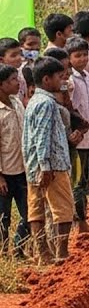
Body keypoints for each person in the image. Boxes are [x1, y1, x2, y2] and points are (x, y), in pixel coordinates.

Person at [23, 56, 78, 264]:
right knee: (63, 208)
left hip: (33, 165)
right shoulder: (46, 103)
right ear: (47, 80)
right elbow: (42, 136)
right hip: (52, 165)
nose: (61, 81)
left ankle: (43, 255)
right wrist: (46, 166)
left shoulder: (33, 102)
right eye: (58, 77)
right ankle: (61, 253)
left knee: (36, 208)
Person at [65, 38, 89, 233]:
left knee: (84, 179)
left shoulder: (86, 76)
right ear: (69, 59)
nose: (83, 59)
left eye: (85, 54)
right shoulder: (70, 82)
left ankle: (81, 217)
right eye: (77, 56)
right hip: (78, 139)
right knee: (78, 182)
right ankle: (81, 221)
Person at [0, 65, 29, 257]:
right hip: (5, 173)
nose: (17, 82)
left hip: (22, 169)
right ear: (1, 85)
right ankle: (4, 253)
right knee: (4, 218)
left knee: (29, 214)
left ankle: (18, 248)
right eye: (12, 79)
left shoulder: (17, 102)